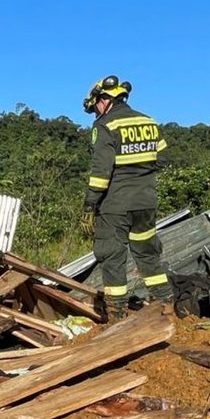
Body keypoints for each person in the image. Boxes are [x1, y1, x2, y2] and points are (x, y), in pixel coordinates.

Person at [80, 75, 172, 321]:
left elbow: (101, 174)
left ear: (103, 100)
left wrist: (90, 205)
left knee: (112, 256)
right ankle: (166, 305)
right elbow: (162, 158)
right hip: (146, 202)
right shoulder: (148, 121)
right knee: (148, 254)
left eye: (96, 106)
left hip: (115, 205)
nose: (96, 112)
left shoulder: (105, 126)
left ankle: (117, 316)